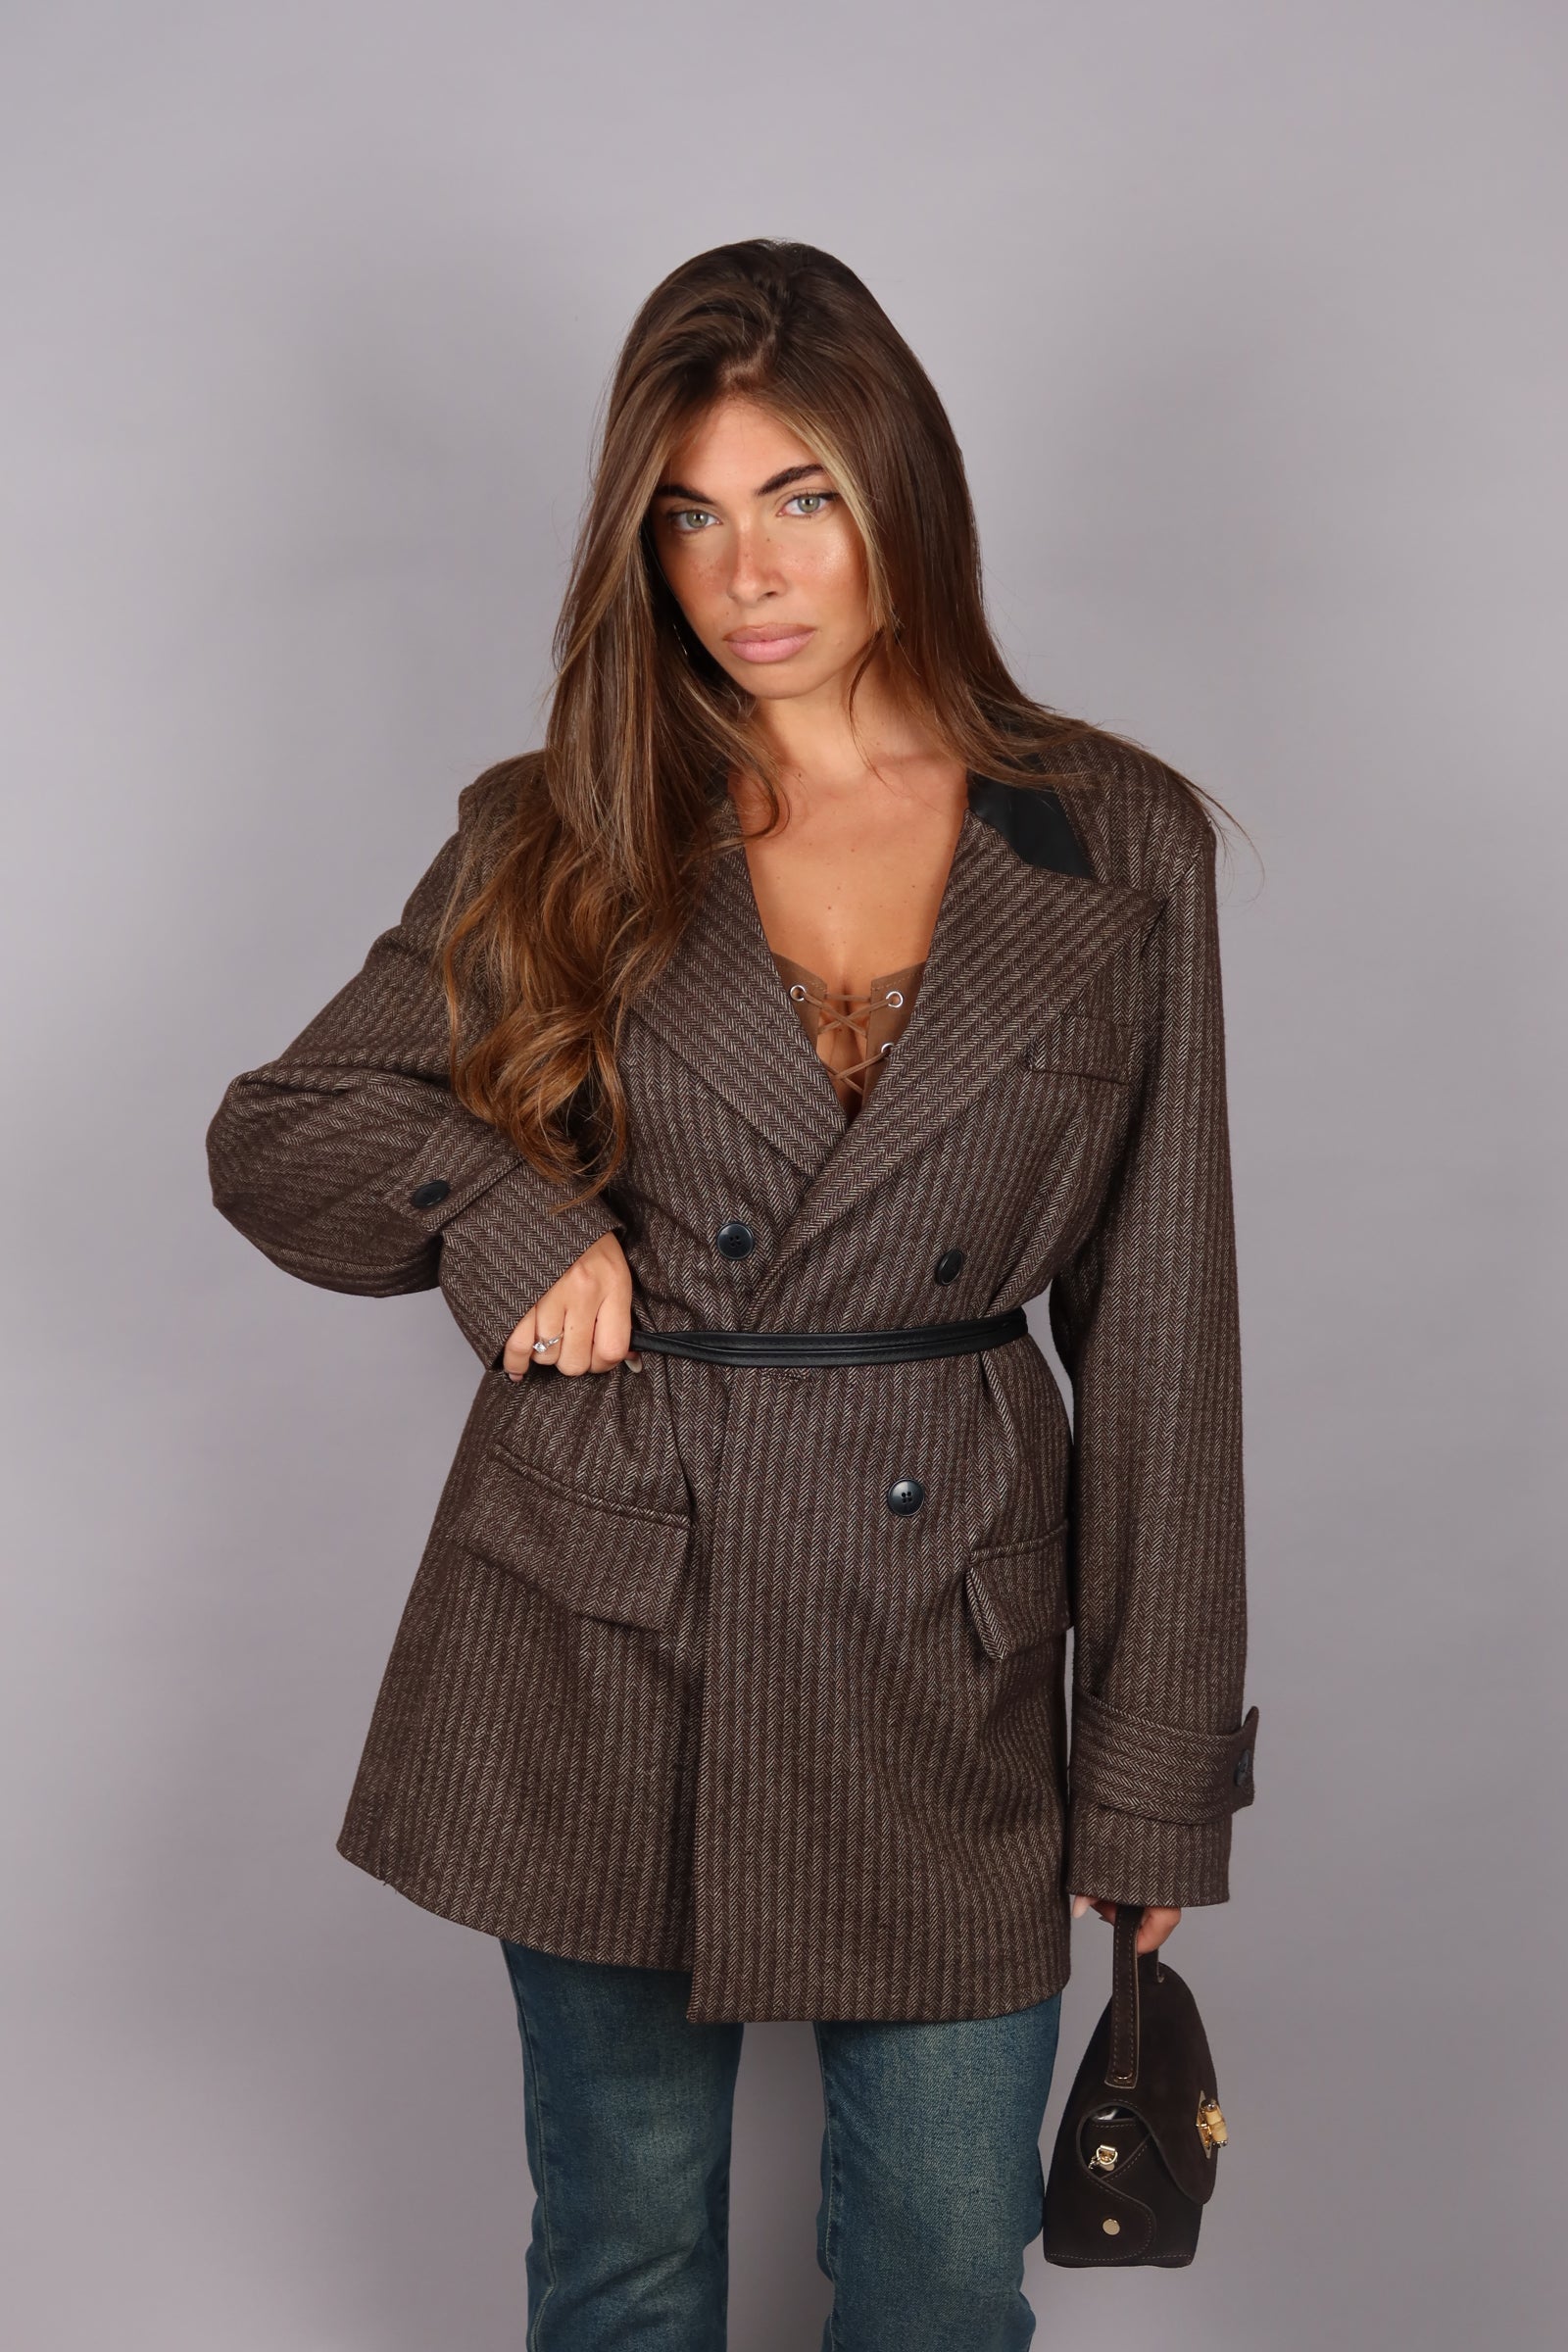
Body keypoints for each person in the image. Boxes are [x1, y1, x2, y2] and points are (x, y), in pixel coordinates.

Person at [207, 238, 1258, 2351]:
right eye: (687, 516)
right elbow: (285, 1131)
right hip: (610, 1619)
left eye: (800, 499)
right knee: (622, 2259)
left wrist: (1152, 1767)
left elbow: (1161, 1326)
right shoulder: (566, 824)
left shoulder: (1112, 840)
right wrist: (503, 1216)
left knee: (943, 2278)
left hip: (947, 1641)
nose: (744, 572)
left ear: (902, 499)